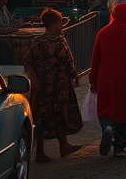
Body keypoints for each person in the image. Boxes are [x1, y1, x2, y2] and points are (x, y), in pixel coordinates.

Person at [89, 3, 126, 158]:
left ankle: (108, 127)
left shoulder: (102, 33)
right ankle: (119, 148)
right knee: (125, 112)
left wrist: (93, 80)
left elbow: (95, 60)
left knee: (106, 108)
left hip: (106, 77)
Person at [23, 9, 83, 163]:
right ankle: (64, 146)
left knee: (41, 115)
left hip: (41, 85)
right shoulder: (58, 40)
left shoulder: (36, 41)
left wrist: (34, 78)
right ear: (55, 24)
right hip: (58, 84)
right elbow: (67, 60)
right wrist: (74, 75)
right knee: (59, 112)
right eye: (60, 22)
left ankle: (40, 152)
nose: (61, 25)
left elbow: (28, 60)